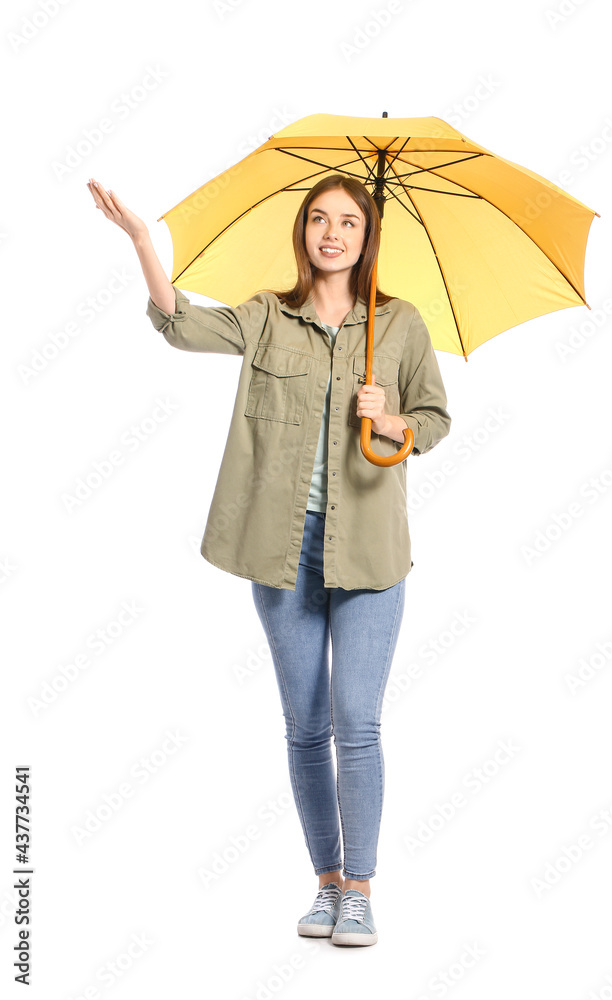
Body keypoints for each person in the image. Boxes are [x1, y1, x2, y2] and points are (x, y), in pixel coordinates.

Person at [87, 172, 452, 946]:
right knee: (302, 728)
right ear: (303, 232)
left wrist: (390, 418)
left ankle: (360, 889)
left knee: (356, 723)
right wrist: (142, 242)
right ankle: (323, 885)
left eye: (347, 222)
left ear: (367, 236)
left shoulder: (401, 326)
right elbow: (179, 324)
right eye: (318, 218)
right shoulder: (266, 318)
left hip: (371, 558)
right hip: (279, 553)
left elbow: (435, 420)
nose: (330, 232)